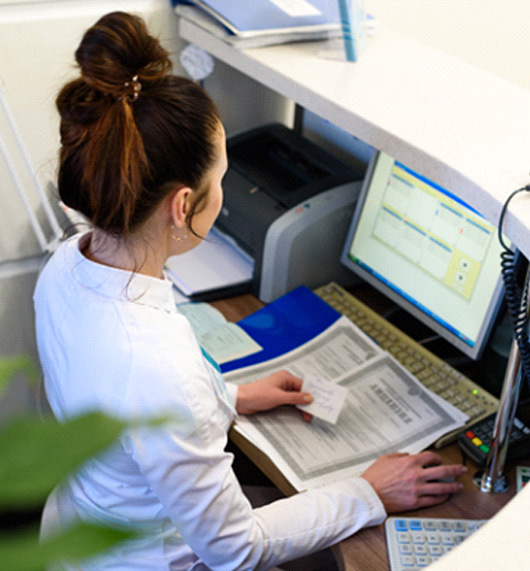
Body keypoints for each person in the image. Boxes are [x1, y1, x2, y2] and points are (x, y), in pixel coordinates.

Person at [34, 11, 467, 571]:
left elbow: (121, 404)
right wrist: (368, 492)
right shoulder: (158, 367)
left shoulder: (68, 263)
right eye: (222, 179)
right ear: (184, 206)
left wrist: (231, 398)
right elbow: (237, 551)